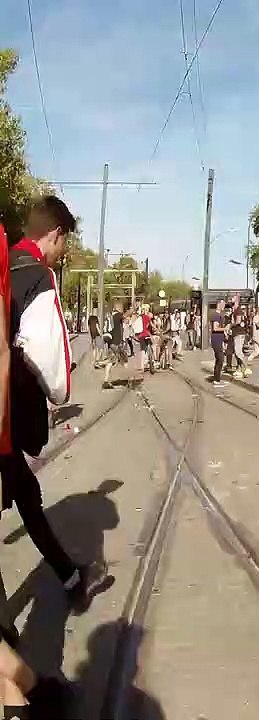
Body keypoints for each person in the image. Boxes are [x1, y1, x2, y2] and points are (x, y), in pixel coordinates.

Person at [4, 195, 112, 612]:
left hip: (5, 419)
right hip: (7, 413)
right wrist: (57, 394)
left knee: (27, 496)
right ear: (55, 233)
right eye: (64, 243)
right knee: (24, 493)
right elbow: (47, 356)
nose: (64, 252)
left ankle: (69, 578)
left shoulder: (4, 263)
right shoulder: (37, 275)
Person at [210, 299, 229, 387]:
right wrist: (225, 329)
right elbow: (215, 328)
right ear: (219, 304)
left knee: (219, 359)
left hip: (218, 340)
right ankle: (216, 380)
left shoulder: (218, 315)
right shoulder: (216, 315)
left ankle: (217, 378)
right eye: (223, 305)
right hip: (216, 340)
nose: (224, 307)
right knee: (220, 359)